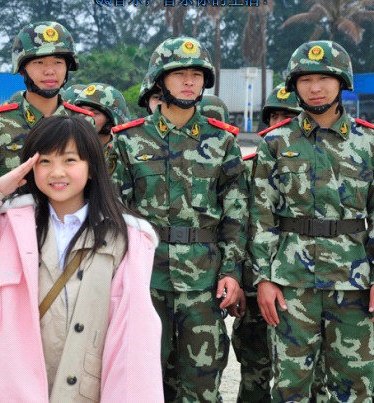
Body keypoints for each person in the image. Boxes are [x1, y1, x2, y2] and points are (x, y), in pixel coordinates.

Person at [0, 115, 163, 402]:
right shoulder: (10, 226)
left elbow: (132, 335)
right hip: (15, 389)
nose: (57, 172)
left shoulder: (126, 237)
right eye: (45, 161)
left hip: (87, 386)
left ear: (92, 168)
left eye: (70, 160)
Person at [250, 40, 374, 402]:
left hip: (354, 283)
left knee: (355, 386)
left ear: (341, 82)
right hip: (291, 285)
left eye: (324, 79)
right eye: (306, 80)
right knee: (290, 387)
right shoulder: (275, 142)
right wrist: (264, 278)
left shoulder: (372, 142)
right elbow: (262, 215)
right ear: (294, 86)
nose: (315, 88)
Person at [112, 36, 247, 402]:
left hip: (204, 282)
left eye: (196, 75)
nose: (189, 81)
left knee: (201, 384)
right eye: (179, 74)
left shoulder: (222, 142)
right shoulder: (128, 141)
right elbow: (115, 214)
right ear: (160, 80)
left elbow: (236, 213)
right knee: (141, 383)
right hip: (145, 280)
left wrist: (232, 272)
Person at [230, 81, 301, 403]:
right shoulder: (245, 168)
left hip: (300, 284)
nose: (280, 122)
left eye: (289, 116)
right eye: (274, 116)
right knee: (254, 372)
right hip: (253, 286)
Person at [0, 21, 95, 180]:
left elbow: (95, 183)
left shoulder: (84, 121)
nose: (50, 71)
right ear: (22, 70)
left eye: (58, 62)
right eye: (39, 63)